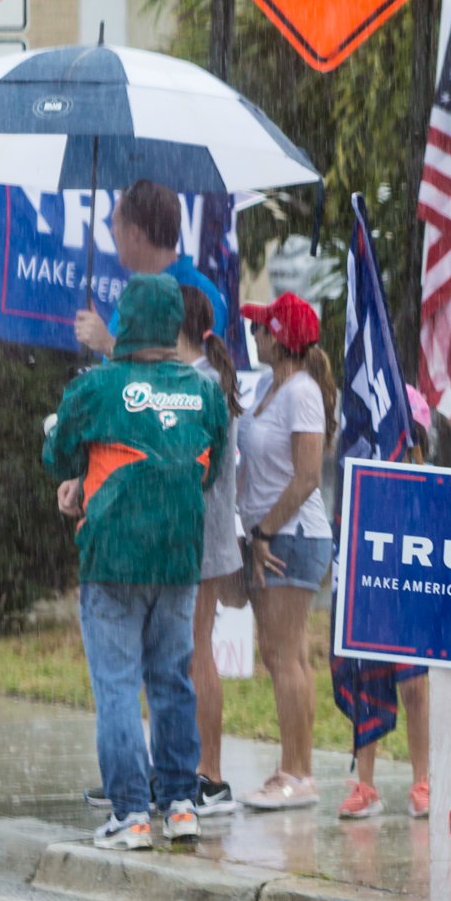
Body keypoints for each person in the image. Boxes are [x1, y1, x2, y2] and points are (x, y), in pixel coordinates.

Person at [43, 273, 231, 851]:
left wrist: (79, 478)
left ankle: (130, 814)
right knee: (173, 681)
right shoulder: (206, 392)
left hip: (113, 560)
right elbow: (209, 471)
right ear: (172, 325)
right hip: (178, 559)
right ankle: (179, 804)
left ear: (124, 321)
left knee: (119, 687)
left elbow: (57, 454)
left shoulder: (97, 387)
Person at [235, 292, 336, 812]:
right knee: (284, 656)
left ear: (278, 339)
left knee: (283, 655)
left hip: (291, 537)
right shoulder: (269, 388)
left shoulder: (302, 393)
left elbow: (308, 476)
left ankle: (297, 774)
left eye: (260, 329)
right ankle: (295, 768)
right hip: (275, 534)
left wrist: (264, 532)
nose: (253, 335)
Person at [177, 286, 247, 817]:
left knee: (196, 649)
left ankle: (211, 775)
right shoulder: (204, 379)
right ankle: (188, 767)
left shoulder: (199, 384)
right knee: (185, 650)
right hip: (201, 533)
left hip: (201, 533)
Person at [75, 179, 229, 358]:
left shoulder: (199, 295)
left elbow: (190, 368)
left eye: (115, 223)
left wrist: (108, 344)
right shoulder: (136, 292)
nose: (111, 231)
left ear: (135, 234)